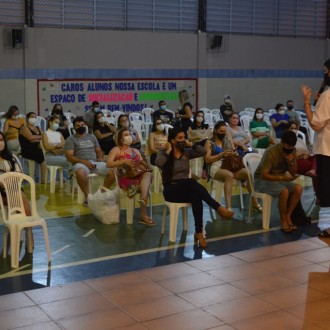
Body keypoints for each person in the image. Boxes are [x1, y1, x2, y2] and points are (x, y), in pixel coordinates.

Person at [155, 127, 234, 248]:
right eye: (179, 138)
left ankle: (198, 232)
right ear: (172, 140)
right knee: (190, 182)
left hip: (185, 189)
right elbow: (159, 163)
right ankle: (217, 207)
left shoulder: (186, 152)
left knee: (196, 197)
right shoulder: (164, 152)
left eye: (183, 137)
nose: (182, 140)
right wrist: (169, 150)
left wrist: (191, 144)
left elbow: (203, 152)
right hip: (171, 190)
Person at [205, 121, 261, 212]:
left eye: (225, 131)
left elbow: (234, 151)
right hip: (216, 167)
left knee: (249, 173)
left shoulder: (226, 140)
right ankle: (228, 207)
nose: (223, 133)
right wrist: (221, 154)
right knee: (229, 175)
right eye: (221, 131)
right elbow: (207, 159)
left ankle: (254, 202)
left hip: (228, 165)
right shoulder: (210, 142)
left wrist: (230, 141)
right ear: (215, 131)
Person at [302, 59, 330, 237]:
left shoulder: (327, 96)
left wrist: (306, 102)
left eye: (325, 71)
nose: (324, 75)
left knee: (326, 189)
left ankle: (327, 226)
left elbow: (316, 125)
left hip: (327, 149)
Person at [254, 130, 303, 232]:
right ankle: (283, 220)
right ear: (282, 143)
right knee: (284, 191)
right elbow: (264, 175)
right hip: (261, 180)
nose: (290, 149)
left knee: (298, 188)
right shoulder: (271, 152)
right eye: (287, 146)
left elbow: (293, 173)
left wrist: (290, 162)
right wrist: (282, 178)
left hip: (278, 178)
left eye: (292, 147)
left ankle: (288, 216)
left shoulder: (292, 150)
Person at [107, 128, 155, 226]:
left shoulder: (135, 150)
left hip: (138, 177)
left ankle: (143, 198)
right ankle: (143, 213)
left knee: (148, 174)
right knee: (145, 184)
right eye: (126, 134)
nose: (129, 136)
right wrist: (124, 161)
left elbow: (143, 165)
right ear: (121, 139)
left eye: (130, 134)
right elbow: (109, 164)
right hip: (126, 179)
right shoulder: (116, 149)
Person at [65, 117, 115, 205]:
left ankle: (100, 193)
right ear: (74, 128)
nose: (81, 127)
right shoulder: (71, 139)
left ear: (85, 125)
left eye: (82, 125)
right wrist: (84, 162)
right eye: (78, 126)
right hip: (80, 164)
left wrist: (100, 158)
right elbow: (69, 156)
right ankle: (88, 197)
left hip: (94, 163)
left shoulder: (92, 137)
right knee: (80, 172)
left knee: (113, 171)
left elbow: (99, 151)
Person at [0, 132, 34, 252]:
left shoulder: (12, 157)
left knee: (19, 196)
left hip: (12, 188)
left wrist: (7, 182)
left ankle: (29, 234)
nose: (1, 143)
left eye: (1, 140)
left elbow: (20, 175)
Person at [287, 121, 317, 194]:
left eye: (295, 128)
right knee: (319, 169)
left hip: (305, 158)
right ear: (287, 129)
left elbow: (307, 152)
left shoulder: (300, 140)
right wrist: (301, 155)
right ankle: (319, 194)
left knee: (318, 156)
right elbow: (288, 157)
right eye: (291, 128)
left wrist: (306, 155)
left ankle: (313, 169)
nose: (294, 130)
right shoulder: (286, 141)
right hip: (296, 161)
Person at [19, 112, 47, 183]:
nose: (34, 119)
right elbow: (30, 138)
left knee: (45, 154)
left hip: (38, 148)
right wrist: (40, 138)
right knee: (43, 155)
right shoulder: (24, 128)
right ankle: (44, 181)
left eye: (35, 117)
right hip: (28, 150)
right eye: (32, 117)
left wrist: (36, 139)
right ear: (28, 118)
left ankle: (44, 179)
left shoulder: (38, 128)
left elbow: (45, 137)